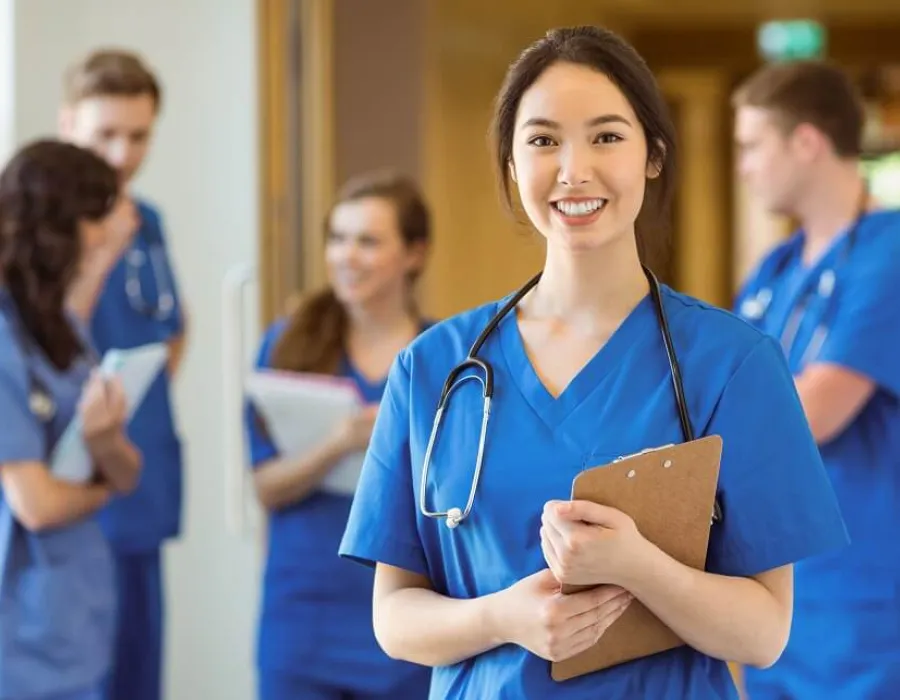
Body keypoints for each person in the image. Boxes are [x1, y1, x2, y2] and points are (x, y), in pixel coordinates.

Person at [337, 26, 850, 700]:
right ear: (512, 166)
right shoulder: (434, 367)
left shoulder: (735, 365)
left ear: (653, 157)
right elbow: (394, 617)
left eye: (606, 136)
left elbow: (763, 632)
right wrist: (504, 618)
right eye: (544, 140)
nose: (573, 170)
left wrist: (639, 566)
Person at [732, 60, 900, 699]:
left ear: (805, 142)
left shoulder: (889, 252)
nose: (743, 165)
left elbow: (812, 414)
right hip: (779, 596)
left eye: (752, 146)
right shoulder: (776, 266)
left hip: (861, 602)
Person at [245, 171, 434, 700]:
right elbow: (265, 487)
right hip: (302, 619)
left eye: (368, 241)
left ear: (414, 254)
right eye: (338, 238)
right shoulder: (286, 348)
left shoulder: (443, 359)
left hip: (408, 619)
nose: (346, 256)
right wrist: (340, 443)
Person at [57, 49, 187, 700]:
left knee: (140, 675)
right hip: (71, 493)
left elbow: (171, 326)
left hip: (141, 481)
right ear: (67, 122)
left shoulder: (148, 222)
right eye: (104, 133)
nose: (120, 155)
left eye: (137, 136)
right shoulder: (39, 230)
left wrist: (138, 392)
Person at [0, 139, 143, 700]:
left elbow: (129, 473)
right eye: (99, 216)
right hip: (22, 628)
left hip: (72, 614)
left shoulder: (62, 328)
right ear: (61, 225)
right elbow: (36, 505)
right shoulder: (6, 338)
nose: (109, 233)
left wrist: (106, 444)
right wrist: (101, 490)